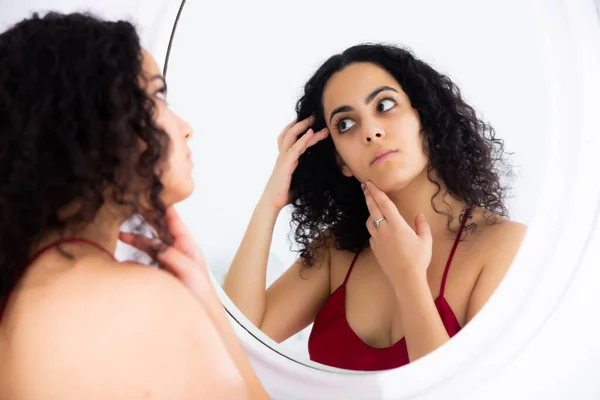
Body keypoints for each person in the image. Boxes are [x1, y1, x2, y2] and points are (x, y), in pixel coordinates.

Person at [0, 12, 268, 399]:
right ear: (95, 119)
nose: (186, 126)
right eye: (158, 95)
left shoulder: (26, 293)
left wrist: (206, 299)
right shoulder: (137, 304)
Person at [223, 43, 527, 371]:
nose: (371, 131)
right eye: (345, 123)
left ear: (423, 117)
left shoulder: (504, 246)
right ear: (342, 161)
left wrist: (409, 279)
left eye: (384, 105)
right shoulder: (336, 252)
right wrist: (270, 202)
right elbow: (234, 343)